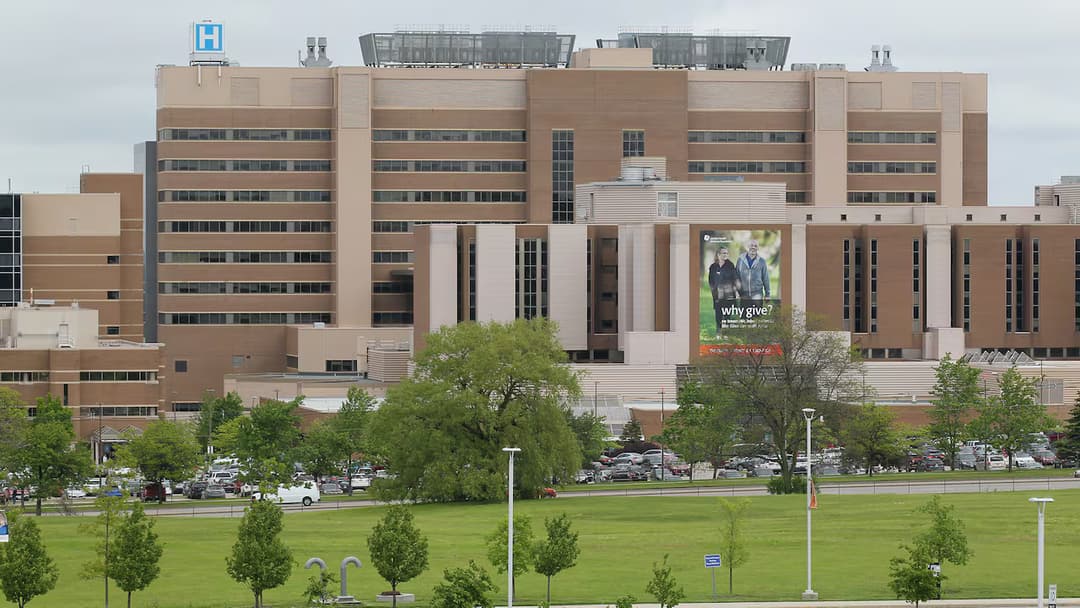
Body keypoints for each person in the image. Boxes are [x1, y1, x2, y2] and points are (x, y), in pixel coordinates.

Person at [708, 249, 740, 333]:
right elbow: (711, 281)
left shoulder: (730, 265)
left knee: (727, 314)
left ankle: (726, 332)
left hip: (729, 293)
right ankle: (718, 331)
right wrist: (714, 292)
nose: (726, 254)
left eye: (727, 253)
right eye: (724, 253)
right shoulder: (713, 267)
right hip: (717, 294)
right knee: (718, 314)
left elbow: (735, 278)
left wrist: (737, 291)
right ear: (718, 254)